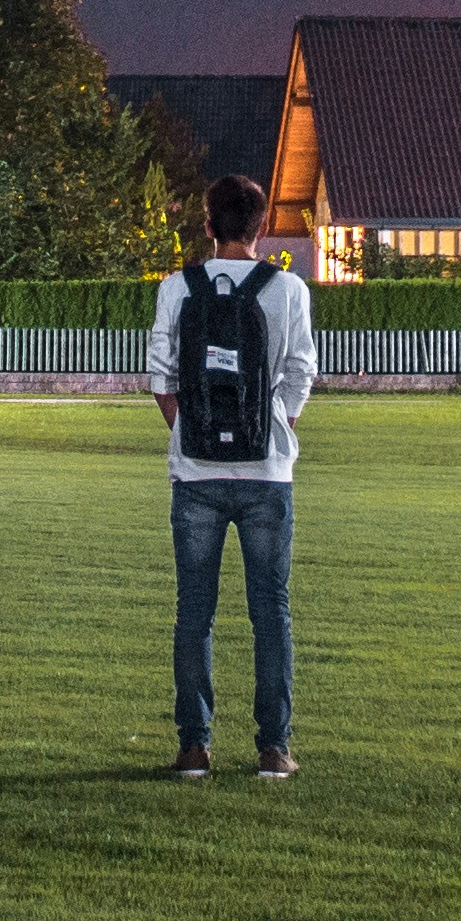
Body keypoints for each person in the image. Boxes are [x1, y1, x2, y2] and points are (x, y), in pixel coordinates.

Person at [144, 174, 314, 781]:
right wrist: (271, 425)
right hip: (268, 473)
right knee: (271, 609)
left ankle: (194, 748)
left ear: (207, 224)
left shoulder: (175, 289)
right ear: (261, 227)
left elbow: (160, 376)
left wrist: (190, 432)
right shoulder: (288, 288)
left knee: (195, 612)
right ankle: (274, 749)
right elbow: (299, 372)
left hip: (195, 475)